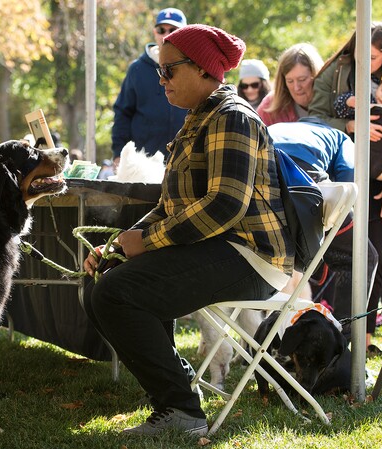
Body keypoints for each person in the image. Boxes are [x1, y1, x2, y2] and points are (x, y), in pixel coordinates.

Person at [82, 24, 292, 437]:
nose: (161, 81)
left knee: (115, 293)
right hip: (219, 248)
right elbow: (168, 208)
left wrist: (146, 241)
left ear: (202, 69)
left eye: (169, 71)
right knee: (104, 282)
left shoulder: (232, 119)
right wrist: (116, 248)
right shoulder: (199, 120)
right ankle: (175, 394)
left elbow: (224, 207)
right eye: (160, 71)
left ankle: (181, 410)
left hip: (250, 256)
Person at [309, 21, 382, 347]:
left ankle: (365, 336)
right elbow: (314, 117)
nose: (365, 64)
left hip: (380, 185)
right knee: (341, 255)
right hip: (340, 175)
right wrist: (350, 123)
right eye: (360, 55)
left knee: (371, 254)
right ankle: (335, 329)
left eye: (372, 58)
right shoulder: (337, 72)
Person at [268, 117, 378, 329]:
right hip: (302, 177)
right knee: (362, 257)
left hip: (259, 178)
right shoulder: (339, 137)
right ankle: (341, 344)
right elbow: (348, 184)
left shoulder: (278, 126)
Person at [110, 7, 188, 166]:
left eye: (173, 30)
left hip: (185, 162)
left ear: (185, 33)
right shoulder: (137, 69)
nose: (166, 35)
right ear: (155, 33)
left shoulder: (193, 68)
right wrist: (118, 153)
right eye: (161, 30)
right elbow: (122, 113)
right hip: (143, 162)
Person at [258, 43, 324, 125]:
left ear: (316, 75)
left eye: (302, 79)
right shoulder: (269, 108)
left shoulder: (334, 101)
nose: (296, 87)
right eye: (290, 81)